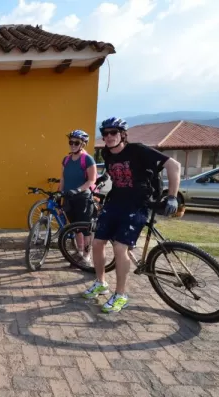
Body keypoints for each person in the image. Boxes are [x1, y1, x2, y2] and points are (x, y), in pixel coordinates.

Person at [83, 117, 181, 313]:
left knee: (120, 248)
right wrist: (103, 178)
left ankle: (121, 295)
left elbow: (174, 166)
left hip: (137, 205)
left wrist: (172, 197)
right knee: (96, 242)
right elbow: (114, 173)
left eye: (114, 132)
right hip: (115, 202)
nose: (109, 136)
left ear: (122, 134)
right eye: (106, 133)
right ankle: (101, 282)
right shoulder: (106, 153)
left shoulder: (138, 150)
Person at [59, 129, 98, 265]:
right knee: (75, 227)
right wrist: (60, 194)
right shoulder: (66, 159)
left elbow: (92, 180)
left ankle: (87, 256)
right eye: (71, 142)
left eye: (76, 142)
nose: (73, 145)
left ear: (83, 144)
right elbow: (63, 178)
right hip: (69, 198)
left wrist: (78, 190)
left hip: (82, 198)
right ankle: (79, 251)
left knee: (85, 229)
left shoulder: (87, 159)